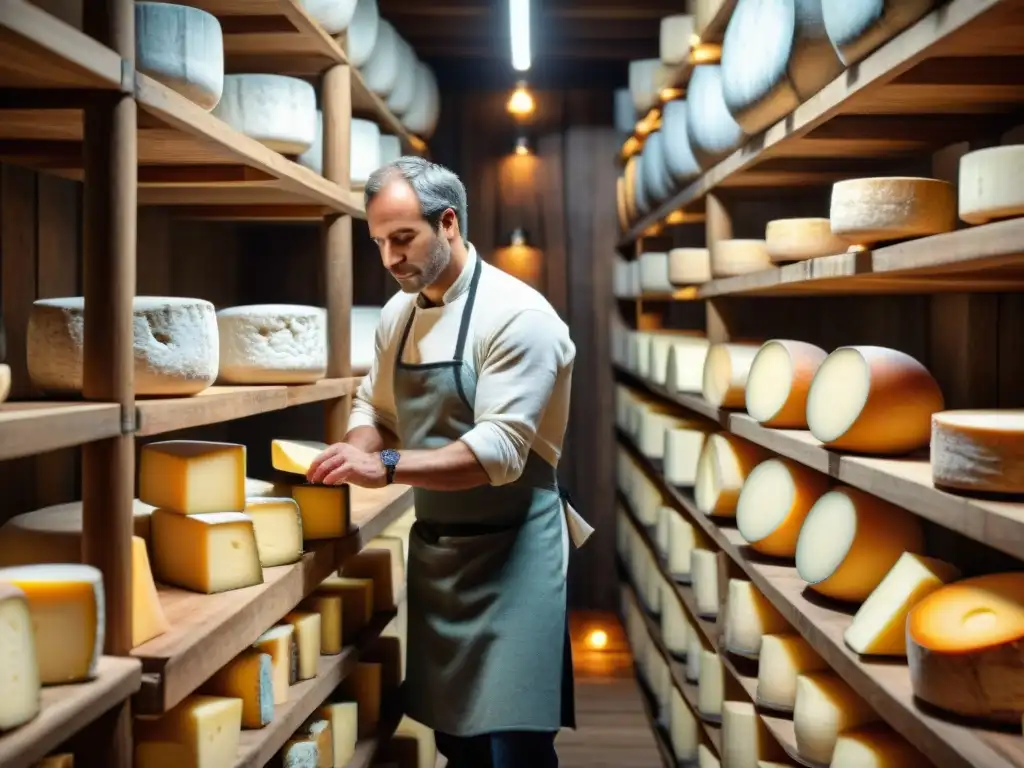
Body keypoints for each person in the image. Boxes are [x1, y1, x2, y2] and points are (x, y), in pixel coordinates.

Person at [306, 156, 580, 767]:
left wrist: (389, 466)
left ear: (448, 223)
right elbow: (372, 406)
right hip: (441, 552)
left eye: (402, 238)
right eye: (378, 242)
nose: (389, 258)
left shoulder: (519, 317)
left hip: (515, 554)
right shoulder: (399, 316)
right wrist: (357, 448)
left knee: (514, 748)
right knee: (458, 740)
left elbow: (500, 452)